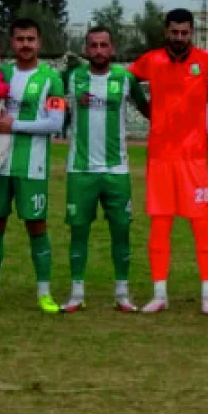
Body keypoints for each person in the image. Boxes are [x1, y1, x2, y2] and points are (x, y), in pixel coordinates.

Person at [127, 8, 208, 314]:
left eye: (184, 33)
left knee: (202, 225)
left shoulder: (205, 60)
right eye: (174, 32)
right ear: (166, 32)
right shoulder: (151, 60)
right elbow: (125, 79)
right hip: (160, 157)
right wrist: (145, 108)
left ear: (192, 33)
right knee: (160, 225)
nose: (179, 37)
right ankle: (159, 294)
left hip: (194, 158)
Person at [0, 18, 66, 313]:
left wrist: (12, 125)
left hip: (32, 166)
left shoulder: (52, 79)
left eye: (30, 39)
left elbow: (55, 124)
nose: (25, 44)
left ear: (39, 42)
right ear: (12, 42)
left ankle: (44, 294)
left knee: (37, 226)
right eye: (20, 39)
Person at [59, 26, 151, 314]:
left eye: (104, 45)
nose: (99, 51)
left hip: (116, 170)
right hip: (80, 169)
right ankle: (76, 294)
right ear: (86, 50)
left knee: (121, 231)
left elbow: (150, 111)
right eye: (93, 46)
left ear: (112, 49)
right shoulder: (71, 77)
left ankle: (122, 294)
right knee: (78, 232)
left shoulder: (125, 79)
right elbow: (51, 105)